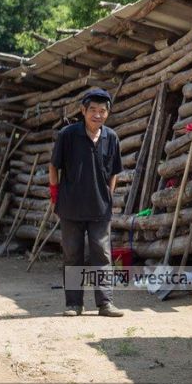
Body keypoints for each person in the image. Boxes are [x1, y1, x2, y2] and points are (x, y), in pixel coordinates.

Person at [49, 88, 124, 317]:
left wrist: (108, 196)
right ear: (83, 110)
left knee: (102, 254)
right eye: (93, 110)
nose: (97, 115)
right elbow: (54, 166)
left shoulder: (111, 138)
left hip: (100, 208)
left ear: (107, 114)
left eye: (102, 111)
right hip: (70, 206)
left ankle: (105, 303)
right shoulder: (68, 135)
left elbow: (114, 172)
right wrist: (55, 195)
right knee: (72, 255)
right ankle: (74, 304)